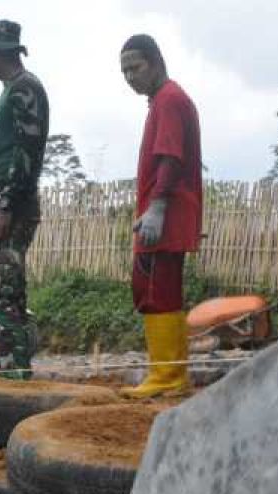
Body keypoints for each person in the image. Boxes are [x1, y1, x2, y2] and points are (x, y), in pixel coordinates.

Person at [118, 33, 203, 399]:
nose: (130, 77)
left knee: (157, 289)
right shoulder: (163, 101)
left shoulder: (170, 100)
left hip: (165, 214)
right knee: (155, 287)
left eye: (135, 68)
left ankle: (168, 377)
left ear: (155, 62)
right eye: (124, 71)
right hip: (163, 212)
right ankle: (170, 374)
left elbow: (170, 156)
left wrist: (158, 206)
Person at [0, 19, 49, 380]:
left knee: (2, 287)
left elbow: (27, 150)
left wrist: (6, 204)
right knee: (0, 286)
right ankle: (10, 369)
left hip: (8, 201)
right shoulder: (13, 89)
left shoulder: (24, 89)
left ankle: (14, 371)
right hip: (1, 198)